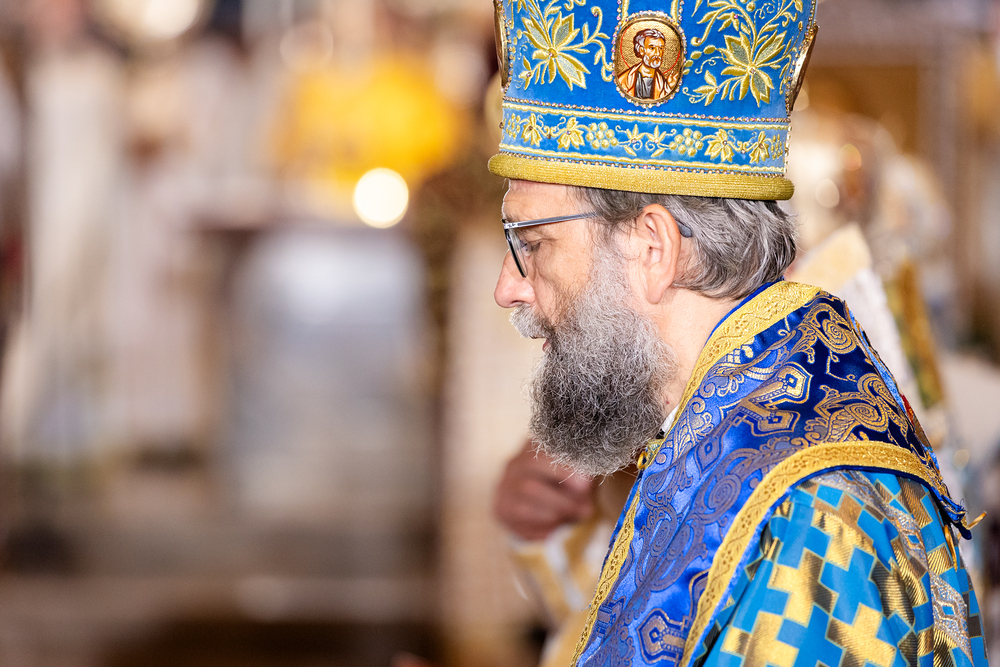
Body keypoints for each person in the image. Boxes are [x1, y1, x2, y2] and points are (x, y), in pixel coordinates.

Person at [487, 0, 989, 665]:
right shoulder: (710, 442)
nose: (509, 286)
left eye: (533, 243)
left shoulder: (817, 516)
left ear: (652, 249)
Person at [616, 28, 678, 101]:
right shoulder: (625, 79)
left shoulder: (661, 83)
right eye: (652, 48)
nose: (657, 53)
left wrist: (668, 87)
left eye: (660, 48)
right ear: (642, 50)